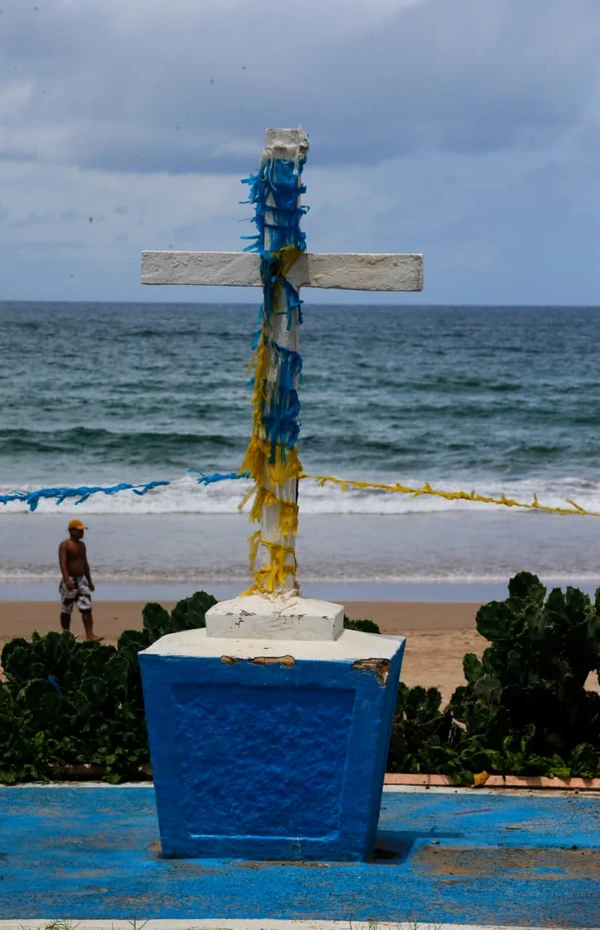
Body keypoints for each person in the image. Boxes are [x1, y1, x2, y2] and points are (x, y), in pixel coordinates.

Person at [58, 519, 103, 641]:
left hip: (81, 581)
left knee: (86, 608)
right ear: (71, 531)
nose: (82, 533)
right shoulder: (65, 545)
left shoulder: (82, 545)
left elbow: (85, 564)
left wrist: (90, 581)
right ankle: (66, 634)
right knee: (66, 610)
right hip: (69, 580)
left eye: (82, 530)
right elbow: (63, 563)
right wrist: (67, 579)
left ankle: (90, 634)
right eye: (79, 530)